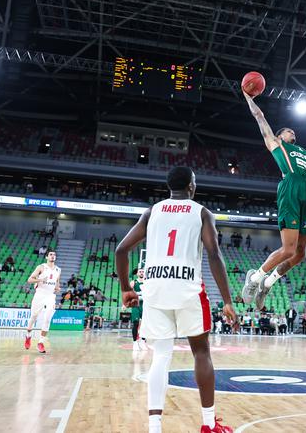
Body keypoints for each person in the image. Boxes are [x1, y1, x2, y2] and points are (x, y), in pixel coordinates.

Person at [115, 166, 237, 433]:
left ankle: (155, 427)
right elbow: (214, 255)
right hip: (187, 288)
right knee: (201, 352)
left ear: (169, 187)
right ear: (192, 186)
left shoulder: (152, 211)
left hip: (155, 288)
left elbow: (121, 250)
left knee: (161, 356)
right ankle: (208, 425)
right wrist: (227, 300)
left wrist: (126, 288)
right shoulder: (201, 212)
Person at [241, 91, 306, 310]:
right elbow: (260, 118)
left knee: (300, 253)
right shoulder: (277, 144)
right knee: (288, 250)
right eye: (289, 130)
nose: (293, 132)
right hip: (290, 188)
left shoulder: (304, 153)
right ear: (280, 136)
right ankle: (254, 279)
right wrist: (249, 99)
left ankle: (268, 283)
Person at [24, 251, 61, 353]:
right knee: (33, 316)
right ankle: (28, 336)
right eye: (50, 254)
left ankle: (40, 342)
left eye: (54, 255)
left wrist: (57, 288)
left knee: (48, 317)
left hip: (50, 296)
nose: (53, 256)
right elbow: (30, 280)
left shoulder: (58, 270)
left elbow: (57, 283)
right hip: (40, 294)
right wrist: (40, 280)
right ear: (46, 257)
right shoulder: (41, 267)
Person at [130, 268, 147, 351]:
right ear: (137, 273)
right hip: (136, 304)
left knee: (145, 324)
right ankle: (135, 342)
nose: (141, 273)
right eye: (140, 272)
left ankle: (143, 341)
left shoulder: (148, 282)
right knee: (136, 323)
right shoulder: (133, 282)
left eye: (143, 272)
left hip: (145, 305)